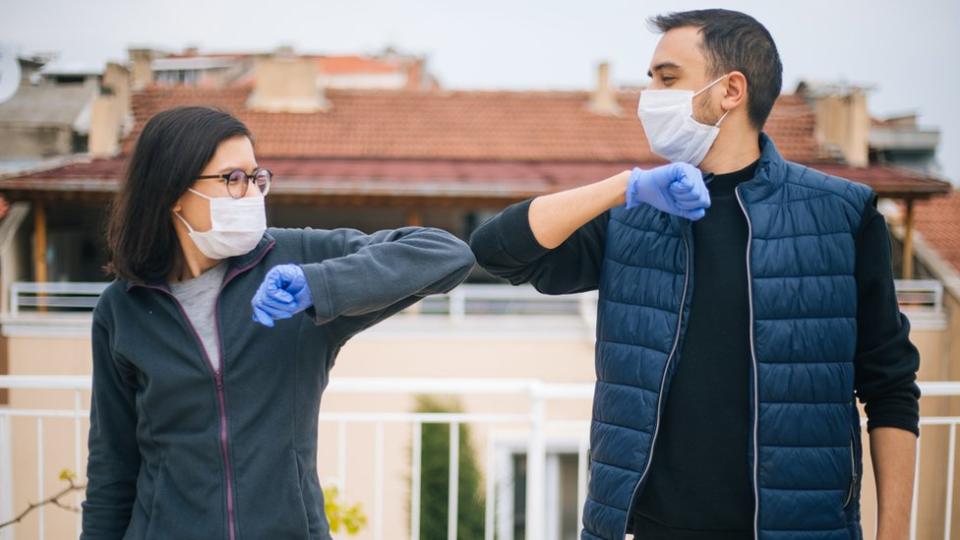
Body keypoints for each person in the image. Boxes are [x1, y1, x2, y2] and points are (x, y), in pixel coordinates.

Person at [470, 9, 919, 540]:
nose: (648, 96)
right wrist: (625, 188)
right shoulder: (632, 212)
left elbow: (889, 385)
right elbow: (497, 251)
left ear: (730, 90)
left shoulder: (841, 214)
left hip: (803, 529)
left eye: (667, 79)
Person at [81, 106, 475, 539]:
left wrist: (319, 284)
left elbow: (446, 255)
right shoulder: (122, 309)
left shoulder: (295, 260)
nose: (251, 194)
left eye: (256, 177)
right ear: (173, 192)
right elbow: (112, 472)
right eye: (232, 179)